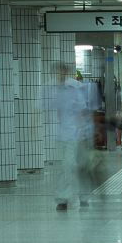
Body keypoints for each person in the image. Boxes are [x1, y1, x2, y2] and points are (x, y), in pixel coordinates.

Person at [43, 61, 94, 211]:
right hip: (61, 135)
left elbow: (82, 110)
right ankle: (63, 198)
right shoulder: (49, 88)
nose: (61, 74)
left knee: (79, 165)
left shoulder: (74, 87)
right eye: (58, 71)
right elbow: (44, 108)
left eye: (63, 71)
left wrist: (86, 131)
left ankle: (82, 195)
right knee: (68, 165)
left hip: (78, 133)